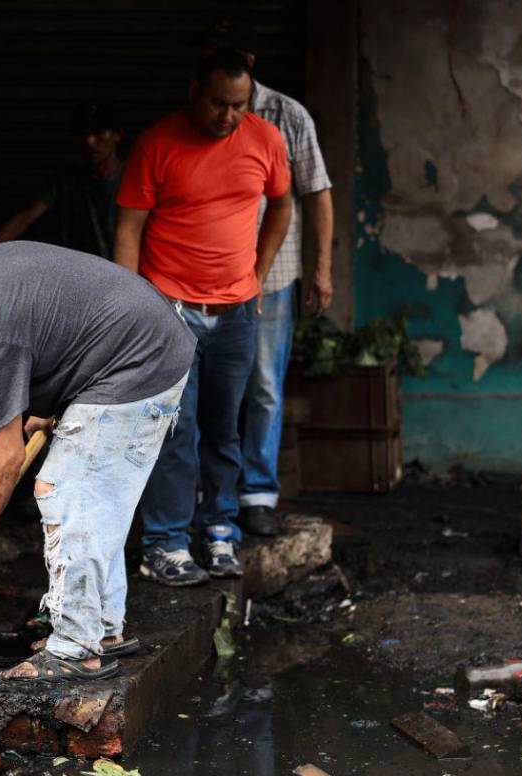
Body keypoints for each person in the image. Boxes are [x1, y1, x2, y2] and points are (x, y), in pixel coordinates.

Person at [0, 241, 194, 680]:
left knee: (65, 490)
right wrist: (51, 400)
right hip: (147, 341)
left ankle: (74, 650)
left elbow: (5, 461)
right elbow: (53, 321)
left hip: (137, 362)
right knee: (98, 502)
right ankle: (101, 631)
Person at [114, 49, 292, 584]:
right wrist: (131, 308)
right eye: (219, 103)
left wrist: (258, 272)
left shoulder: (266, 140)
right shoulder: (157, 144)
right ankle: (165, 543)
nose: (228, 116)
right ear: (194, 90)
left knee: (223, 427)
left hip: (237, 311)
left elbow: (282, 203)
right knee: (175, 430)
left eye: (240, 105)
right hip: (169, 310)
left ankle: (220, 532)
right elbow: (129, 230)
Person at [206, 23, 334, 537]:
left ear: (250, 63)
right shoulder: (194, 119)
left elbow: (316, 193)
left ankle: (257, 491)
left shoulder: (287, 116)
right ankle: (211, 490)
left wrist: (321, 268)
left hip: (272, 275)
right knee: (211, 389)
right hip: (208, 279)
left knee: (263, 385)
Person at [0, 99, 124, 258]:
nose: (90, 141)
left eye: (99, 132)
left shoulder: (133, 179)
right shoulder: (68, 180)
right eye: (84, 133)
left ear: (117, 135)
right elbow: (26, 216)